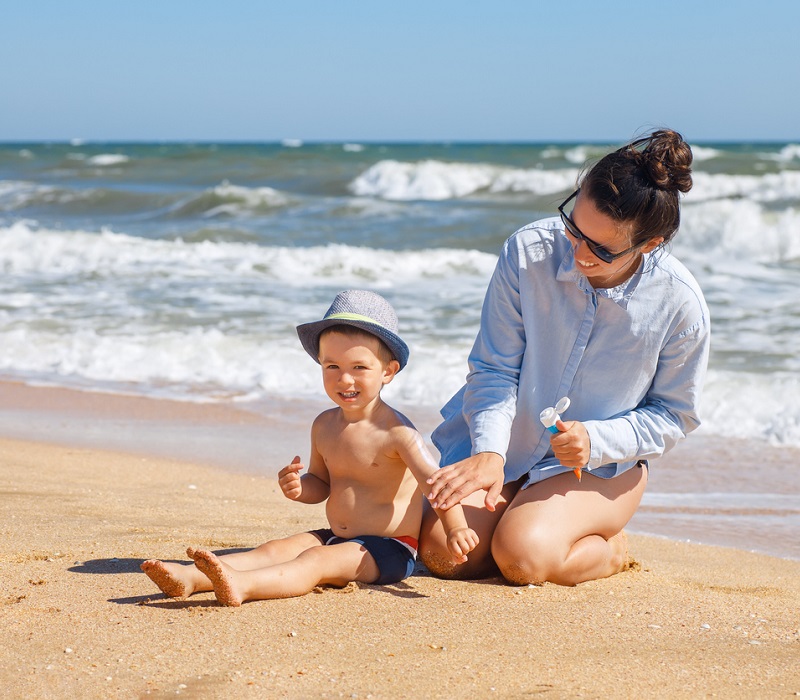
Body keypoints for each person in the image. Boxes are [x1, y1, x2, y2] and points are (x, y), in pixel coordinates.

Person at [420, 129, 710, 587]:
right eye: (573, 227)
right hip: (506, 441)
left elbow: (675, 415)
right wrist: (490, 452)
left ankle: (608, 548)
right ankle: (526, 520)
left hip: (595, 465)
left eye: (600, 248)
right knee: (446, 555)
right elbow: (494, 368)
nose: (577, 254)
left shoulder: (679, 304)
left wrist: (596, 439)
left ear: (649, 245)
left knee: (522, 559)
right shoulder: (527, 251)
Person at [141, 289, 478, 606]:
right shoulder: (324, 425)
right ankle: (190, 578)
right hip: (334, 535)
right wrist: (300, 488)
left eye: (359, 367)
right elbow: (321, 484)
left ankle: (244, 585)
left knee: (316, 561)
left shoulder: (398, 433)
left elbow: (436, 485)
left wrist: (457, 528)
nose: (344, 379)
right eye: (332, 367)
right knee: (276, 549)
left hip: (388, 549)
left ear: (388, 371)